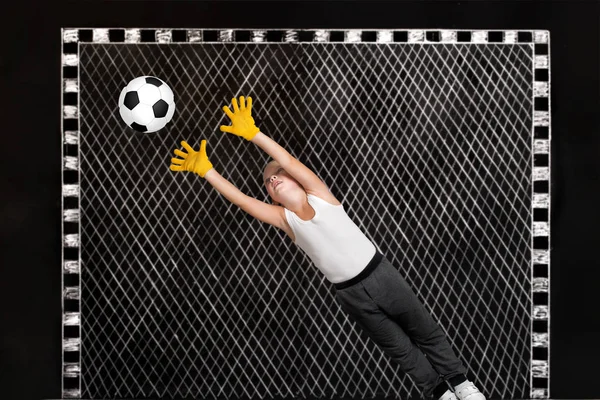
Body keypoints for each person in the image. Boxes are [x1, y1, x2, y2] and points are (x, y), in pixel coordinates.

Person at [169, 96, 486, 400]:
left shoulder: (320, 194)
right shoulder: (284, 219)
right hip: (350, 295)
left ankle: (461, 384)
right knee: (399, 348)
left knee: (423, 329)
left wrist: (255, 135)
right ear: (272, 197)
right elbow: (241, 199)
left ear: (295, 178)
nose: (274, 179)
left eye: (279, 174)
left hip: (380, 275)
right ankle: (440, 393)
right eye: (268, 182)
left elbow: (288, 160)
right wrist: (207, 171)